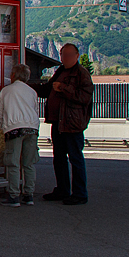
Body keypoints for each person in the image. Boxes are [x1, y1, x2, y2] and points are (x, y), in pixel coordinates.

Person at [35, 43, 94, 204]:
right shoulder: (60, 70)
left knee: (75, 158)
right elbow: (47, 90)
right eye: (63, 54)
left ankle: (80, 194)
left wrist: (64, 88)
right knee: (59, 158)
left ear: (76, 56)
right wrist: (26, 86)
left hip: (72, 123)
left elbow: (85, 97)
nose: (65, 58)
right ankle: (62, 189)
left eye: (68, 55)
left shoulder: (82, 74)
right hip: (58, 122)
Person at [0, 63, 41, 206]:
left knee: (13, 163)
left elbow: (0, 113)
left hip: (14, 129)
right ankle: (29, 195)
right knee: (29, 164)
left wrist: (4, 127)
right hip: (32, 128)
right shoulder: (32, 92)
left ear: (13, 75)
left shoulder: (6, 91)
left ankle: (14, 195)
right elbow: (36, 110)